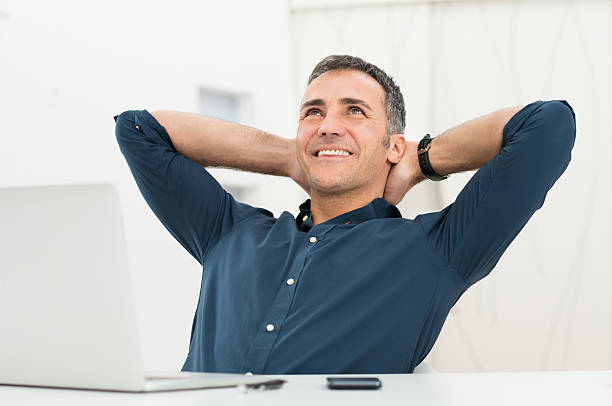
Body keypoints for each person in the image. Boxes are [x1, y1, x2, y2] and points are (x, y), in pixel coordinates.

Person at [114, 55, 576, 374]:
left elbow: (547, 125)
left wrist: (419, 159)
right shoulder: (228, 230)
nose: (329, 123)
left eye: (354, 112)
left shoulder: (435, 250)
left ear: (393, 143)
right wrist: (292, 156)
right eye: (313, 112)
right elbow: (138, 130)